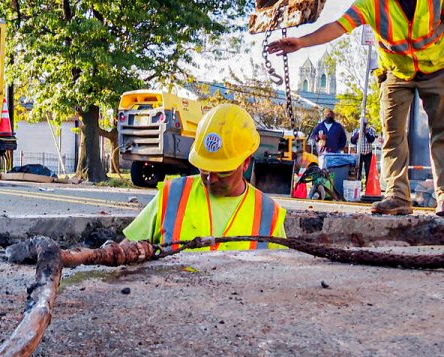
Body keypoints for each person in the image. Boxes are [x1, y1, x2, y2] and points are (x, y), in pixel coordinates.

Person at [267, 0, 444, 217]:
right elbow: (338, 26)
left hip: (437, 68)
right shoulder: (372, 4)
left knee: (441, 131)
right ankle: (398, 197)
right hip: (396, 72)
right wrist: (302, 42)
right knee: (393, 134)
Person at [124, 103, 286, 251]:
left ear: (245, 163)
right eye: (205, 169)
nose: (211, 179)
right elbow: (126, 248)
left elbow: (281, 276)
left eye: (222, 171)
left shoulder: (269, 214)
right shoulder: (172, 194)